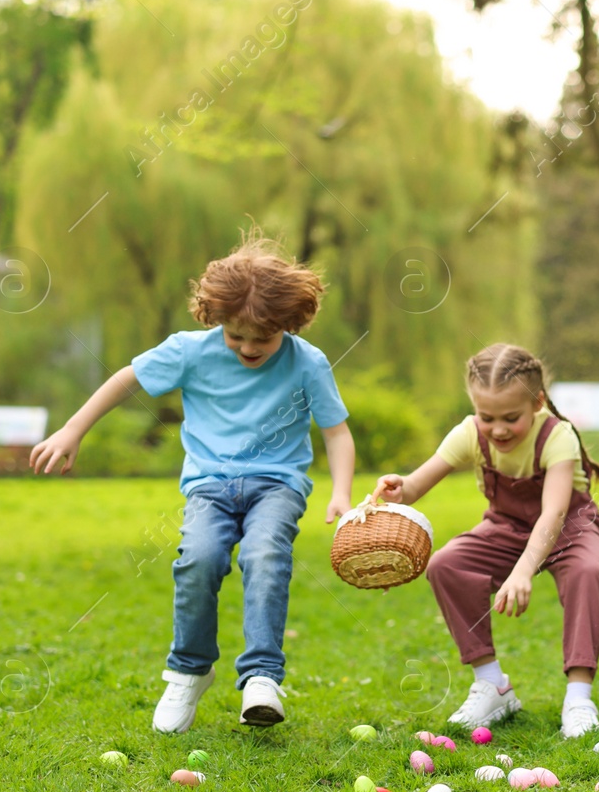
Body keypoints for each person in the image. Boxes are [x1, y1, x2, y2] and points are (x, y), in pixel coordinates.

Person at [29, 233, 355, 733]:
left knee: (265, 555)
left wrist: (340, 493)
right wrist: (73, 429)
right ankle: (189, 670)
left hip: (277, 484)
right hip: (210, 487)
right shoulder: (190, 352)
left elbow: (336, 432)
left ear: (289, 325)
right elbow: (126, 378)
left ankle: (262, 678)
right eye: (236, 336)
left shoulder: (307, 362)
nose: (248, 347)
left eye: (262, 340)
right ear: (215, 318)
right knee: (198, 561)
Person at [374, 344, 599, 738]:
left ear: (537, 402)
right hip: (505, 527)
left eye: (511, 417)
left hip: (569, 529)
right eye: (487, 417)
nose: (498, 429)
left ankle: (578, 696)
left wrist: (522, 571)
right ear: (474, 406)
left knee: (586, 571)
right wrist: (399, 488)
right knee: (447, 564)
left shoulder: (558, 436)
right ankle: (492, 685)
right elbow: (417, 484)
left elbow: (554, 515)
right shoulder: (470, 433)